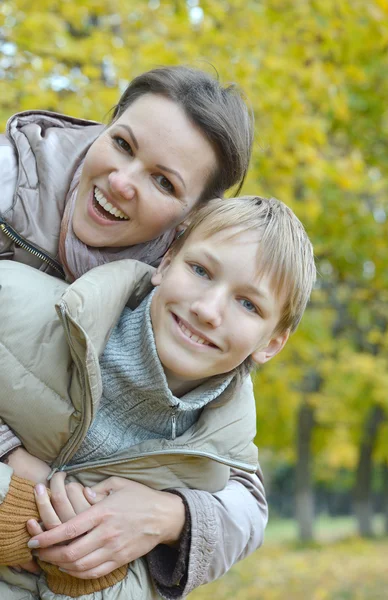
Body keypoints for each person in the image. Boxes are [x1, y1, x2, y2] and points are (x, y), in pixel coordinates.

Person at [0, 65, 266, 599]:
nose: (122, 182)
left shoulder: (180, 294)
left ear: (190, 220)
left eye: (163, 181)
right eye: (122, 144)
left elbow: (244, 492)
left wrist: (170, 516)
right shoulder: (11, 181)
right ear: (108, 123)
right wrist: (13, 460)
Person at [0, 195, 316, 599]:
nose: (208, 309)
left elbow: (242, 522)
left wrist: (89, 580)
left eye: (248, 304)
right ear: (166, 263)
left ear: (271, 343)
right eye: (200, 270)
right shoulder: (19, 302)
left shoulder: (216, 466)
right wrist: (12, 484)